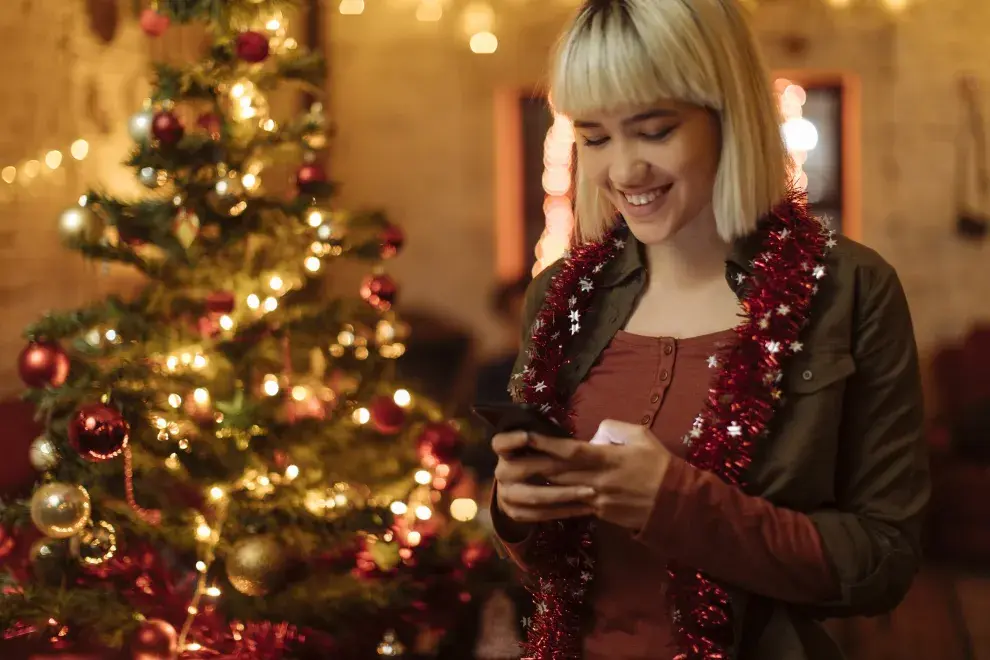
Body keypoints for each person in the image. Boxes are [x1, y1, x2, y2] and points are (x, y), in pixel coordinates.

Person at [488, 1, 930, 659]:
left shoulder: (851, 291)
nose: (623, 172)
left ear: (730, 115)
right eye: (596, 137)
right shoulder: (560, 296)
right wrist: (514, 513)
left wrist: (677, 504)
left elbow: (882, 561)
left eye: (655, 130)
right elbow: (541, 570)